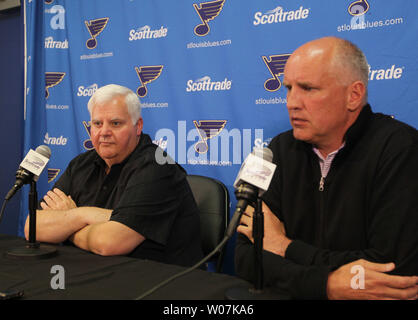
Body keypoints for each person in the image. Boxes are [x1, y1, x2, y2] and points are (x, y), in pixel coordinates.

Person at [235, 37, 418, 299]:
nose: (291, 102)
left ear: (353, 95)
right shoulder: (278, 149)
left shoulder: (400, 149)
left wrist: (286, 248)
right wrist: (327, 284)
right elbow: (245, 256)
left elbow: (392, 273)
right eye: (288, 88)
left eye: (308, 88)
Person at [24, 84, 203, 267]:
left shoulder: (159, 167)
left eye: (115, 123)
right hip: (91, 272)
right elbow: (32, 227)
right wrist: (88, 218)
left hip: (159, 282)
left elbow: (109, 243)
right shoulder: (81, 164)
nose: (104, 132)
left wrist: (72, 216)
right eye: (97, 123)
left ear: (137, 126)